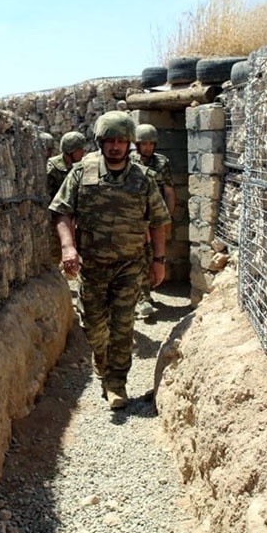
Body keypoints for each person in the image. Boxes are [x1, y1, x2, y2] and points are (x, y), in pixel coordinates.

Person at [49, 111, 171, 409]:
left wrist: (159, 259)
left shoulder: (143, 178)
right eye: (110, 141)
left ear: (129, 144)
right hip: (92, 267)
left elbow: (158, 220)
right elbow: (62, 211)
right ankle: (102, 365)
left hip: (130, 266)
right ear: (100, 142)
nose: (115, 146)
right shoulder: (82, 172)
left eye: (121, 141)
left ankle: (116, 383)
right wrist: (68, 247)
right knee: (94, 326)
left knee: (123, 325)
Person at [132, 123, 176, 319]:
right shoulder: (130, 161)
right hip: (136, 217)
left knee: (152, 256)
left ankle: (144, 295)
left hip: (156, 217)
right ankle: (143, 298)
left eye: (151, 143)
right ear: (137, 144)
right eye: (144, 144)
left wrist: (167, 218)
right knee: (140, 255)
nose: (148, 147)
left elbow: (169, 192)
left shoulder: (161, 163)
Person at [46, 131, 86, 197]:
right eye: (80, 149)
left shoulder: (82, 165)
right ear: (70, 151)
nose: (83, 151)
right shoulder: (52, 169)